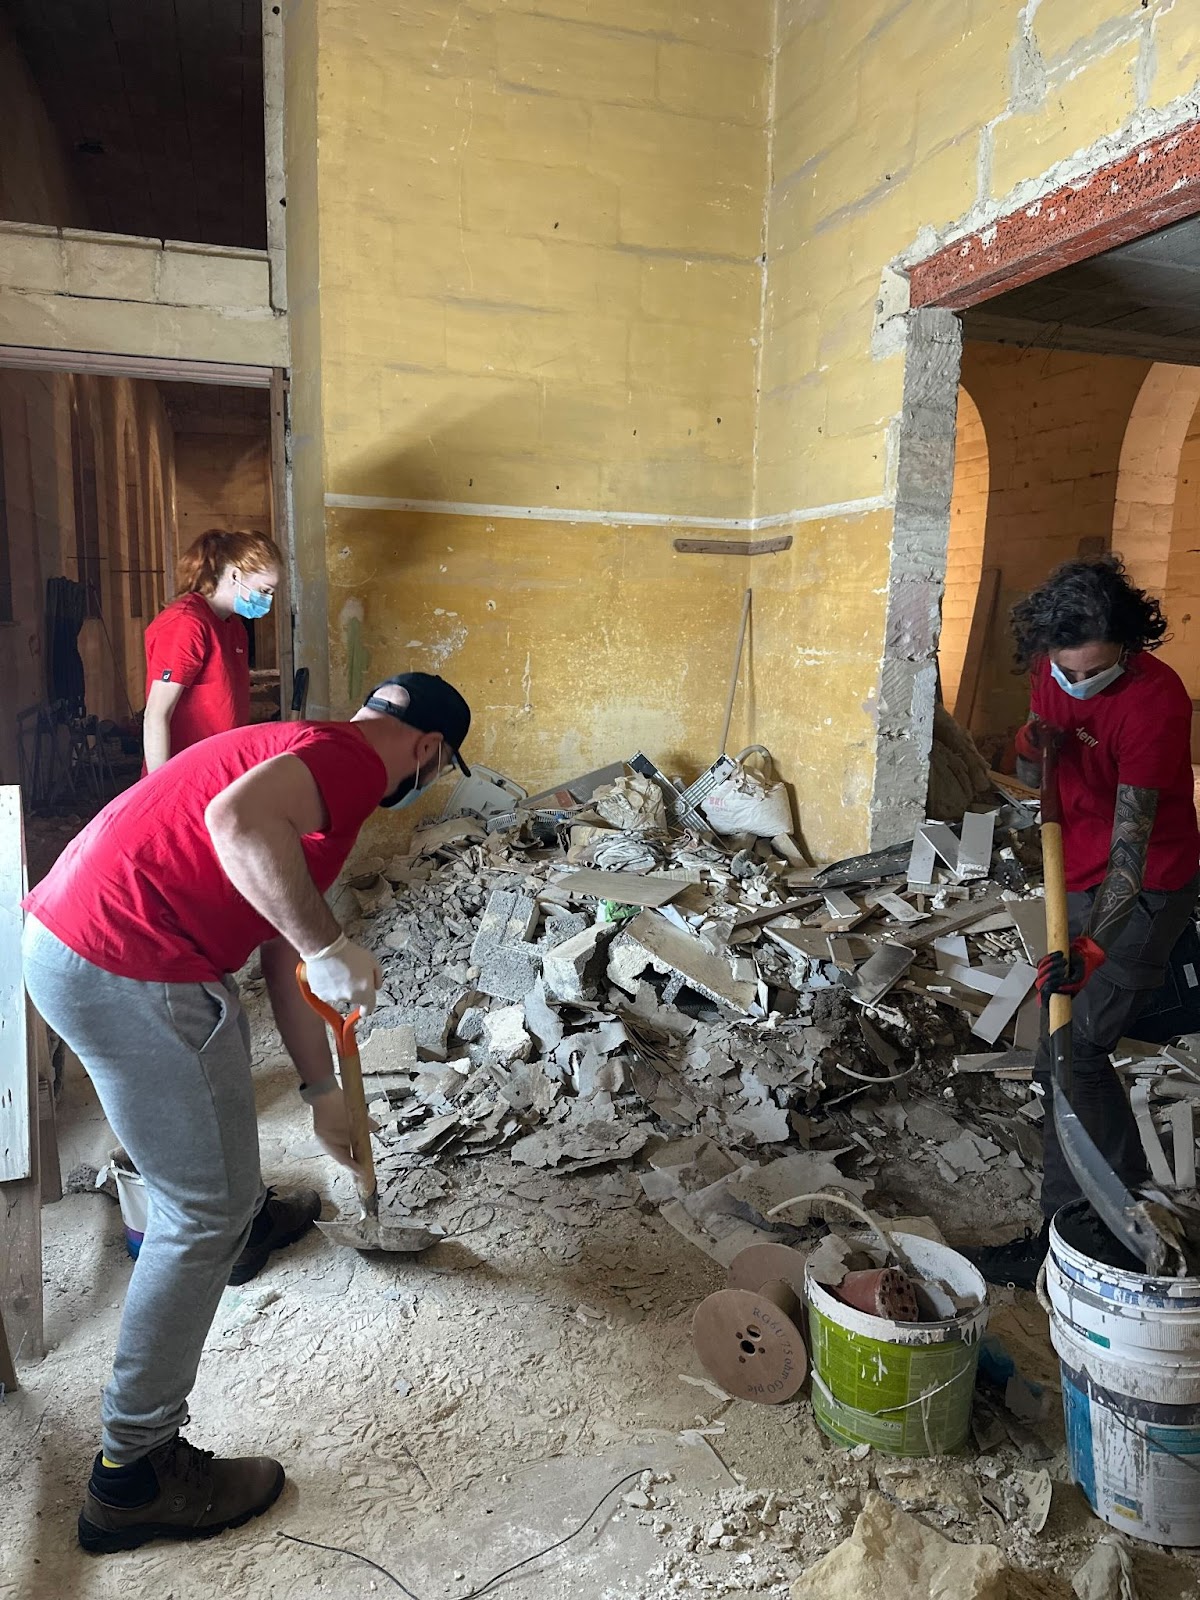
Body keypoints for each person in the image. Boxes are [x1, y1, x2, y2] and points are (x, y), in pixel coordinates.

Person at [22, 672, 472, 1553]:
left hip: (85, 940)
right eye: (443, 768)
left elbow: (276, 943)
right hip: (129, 963)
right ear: (425, 749)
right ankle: (136, 1472)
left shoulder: (299, 753)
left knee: (215, 1117)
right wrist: (330, 943)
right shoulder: (347, 764)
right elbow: (238, 835)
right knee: (202, 1211)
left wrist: (322, 1092)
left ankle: (247, 1213)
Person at [973, 556, 1199, 1289]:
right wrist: (1034, 749)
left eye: (1093, 673)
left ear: (1128, 649)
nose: (1076, 685)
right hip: (1075, 867)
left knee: (1073, 1054)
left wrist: (1094, 945)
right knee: (1067, 1055)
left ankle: (1088, 1230)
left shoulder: (1156, 704)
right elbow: (1042, 771)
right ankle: (1110, 1210)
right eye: (1066, 672)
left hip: (1149, 883)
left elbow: (1134, 846)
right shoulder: (1053, 667)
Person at [142, 529, 283, 771]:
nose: (268, 600)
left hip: (219, 768)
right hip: (186, 772)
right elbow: (156, 715)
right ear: (235, 575)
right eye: (264, 590)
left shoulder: (234, 626)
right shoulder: (186, 623)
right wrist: (162, 790)